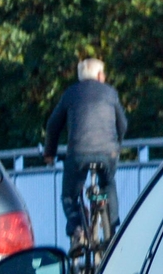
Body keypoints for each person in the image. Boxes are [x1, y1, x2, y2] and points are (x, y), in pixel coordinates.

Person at [43, 57, 127, 249]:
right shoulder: (111, 93)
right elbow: (123, 124)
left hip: (78, 154)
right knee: (108, 184)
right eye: (103, 73)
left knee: (69, 196)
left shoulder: (70, 94)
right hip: (108, 153)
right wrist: (116, 146)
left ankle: (77, 230)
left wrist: (49, 153)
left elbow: (53, 125)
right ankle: (113, 230)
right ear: (99, 75)